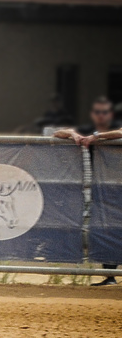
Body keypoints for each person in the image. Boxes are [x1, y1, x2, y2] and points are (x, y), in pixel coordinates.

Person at [55, 96, 121, 285]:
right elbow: (57, 134)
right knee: (104, 230)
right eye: (97, 112)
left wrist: (97, 137)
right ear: (93, 114)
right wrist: (72, 134)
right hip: (101, 189)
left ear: (110, 114)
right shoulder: (86, 129)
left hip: (118, 186)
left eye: (105, 112)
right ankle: (110, 277)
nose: (101, 116)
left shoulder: (114, 127)